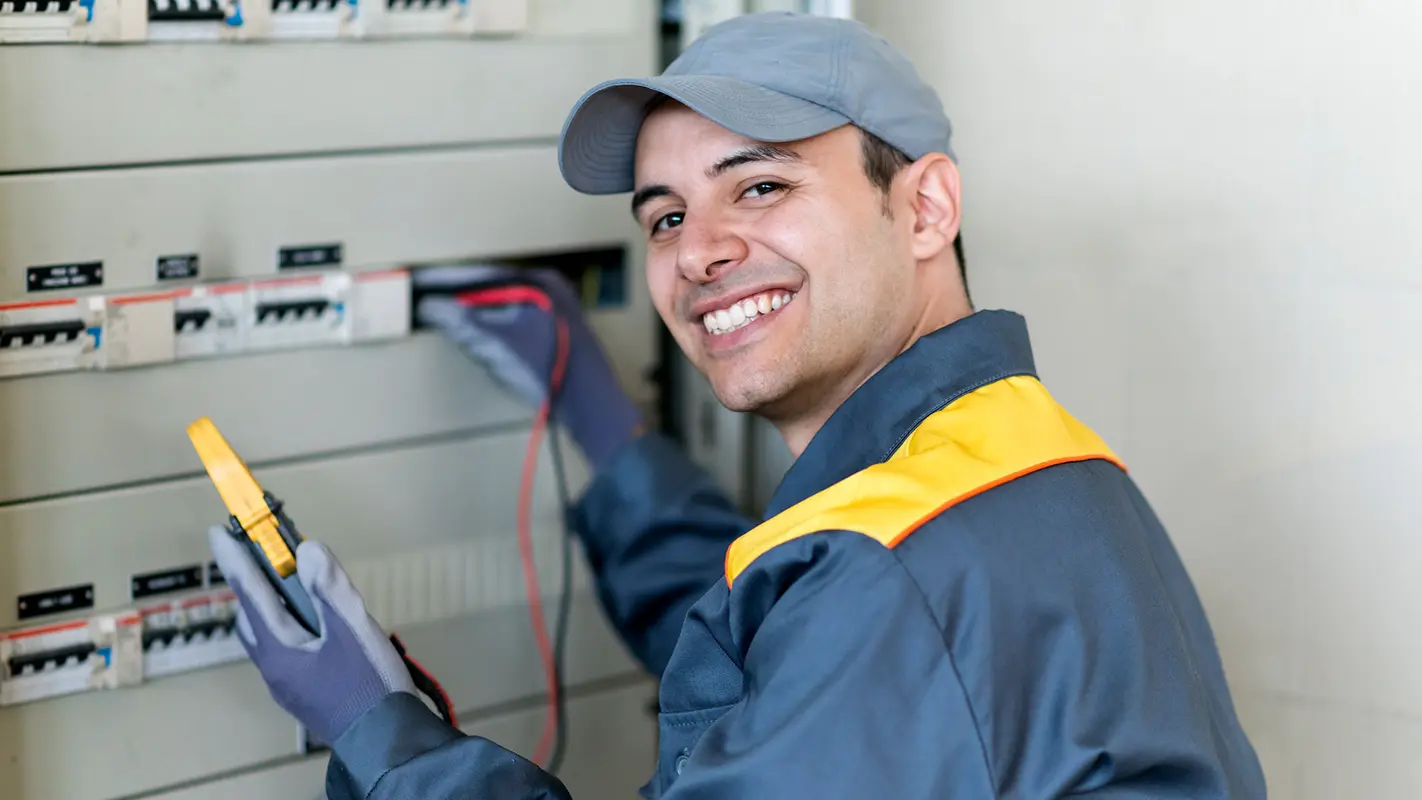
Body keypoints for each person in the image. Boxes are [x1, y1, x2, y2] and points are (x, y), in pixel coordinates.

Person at [207, 11, 1268, 799]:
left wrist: (377, 733)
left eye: (759, 185)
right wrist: (603, 426)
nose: (700, 251)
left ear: (926, 206)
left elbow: (840, 630)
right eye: (665, 215)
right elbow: (778, 643)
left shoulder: (892, 573)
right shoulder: (1013, 462)